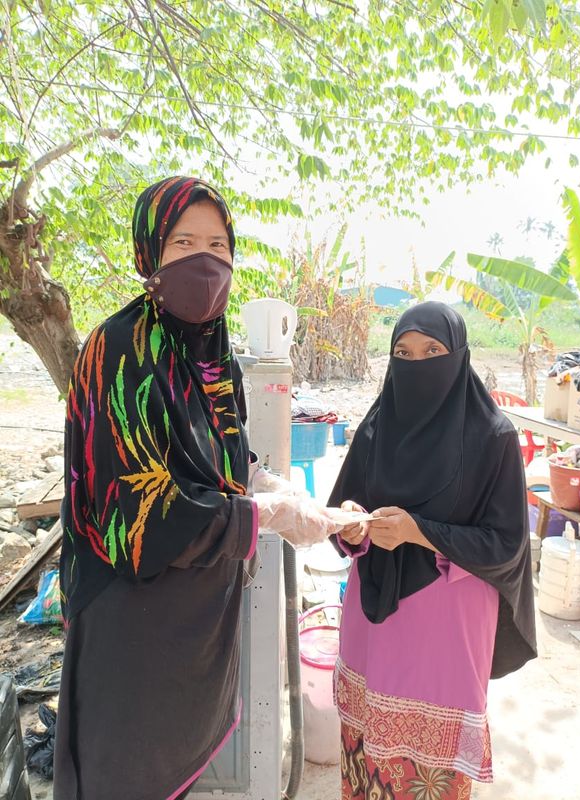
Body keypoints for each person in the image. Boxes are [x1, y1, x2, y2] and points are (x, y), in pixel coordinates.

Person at [53, 176, 336, 800]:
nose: (204, 261)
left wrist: (266, 483)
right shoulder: (118, 349)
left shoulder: (217, 358)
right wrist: (266, 513)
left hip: (197, 629)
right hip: (132, 627)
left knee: (176, 773)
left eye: (217, 243)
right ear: (149, 255)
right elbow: (139, 514)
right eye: (183, 243)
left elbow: (221, 459)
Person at [329, 302, 536, 800]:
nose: (416, 363)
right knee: (365, 768)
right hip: (370, 625)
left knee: (428, 779)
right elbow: (341, 507)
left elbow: (506, 543)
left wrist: (418, 531)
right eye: (403, 352)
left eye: (432, 351)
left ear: (458, 356)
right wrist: (351, 527)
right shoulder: (377, 427)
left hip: (443, 633)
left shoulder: (494, 438)